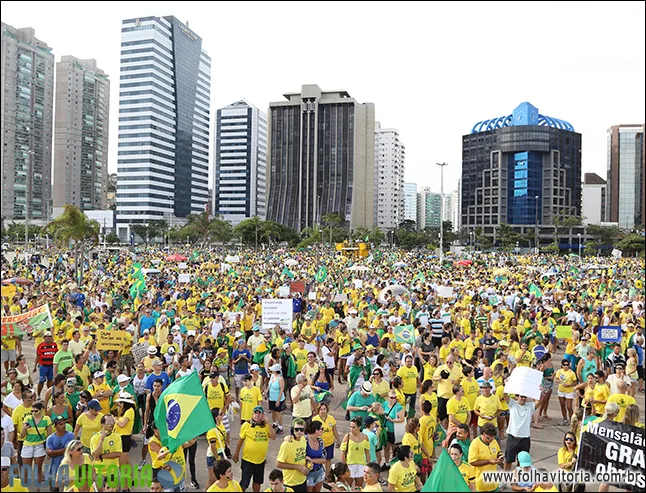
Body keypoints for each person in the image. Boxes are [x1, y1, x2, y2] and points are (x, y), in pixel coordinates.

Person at [233, 405, 276, 492]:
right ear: (252, 415)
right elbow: (240, 440)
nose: (257, 415)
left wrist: (268, 424)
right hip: (247, 460)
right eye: (255, 413)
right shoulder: (246, 425)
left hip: (260, 460)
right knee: (244, 482)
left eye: (259, 413)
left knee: (257, 482)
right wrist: (236, 453)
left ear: (263, 415)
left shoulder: (266, 426)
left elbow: (274, 437)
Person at [19, 400, 52, 484]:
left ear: (41, 410)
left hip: (40, 445)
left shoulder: (47, 419)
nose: (33, 413)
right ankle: (24, 489)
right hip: (27, 445)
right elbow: (22, 436)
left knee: (38, 470)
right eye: (32, 411)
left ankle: (38, 489)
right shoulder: (27, 419)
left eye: (36, 411)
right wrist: (24, 428)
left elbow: (49, 436)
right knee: (26, 470)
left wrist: (48, 449)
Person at [503, 393, 535, 471]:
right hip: (512, 438)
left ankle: (519, 478)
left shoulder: (530, 406)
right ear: (518, 397)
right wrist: (507, 384)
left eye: (525, 397)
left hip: (525, 438)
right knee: (508, 460)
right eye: (521, 396)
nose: (523, 398)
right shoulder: (513, 404)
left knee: (522, 462)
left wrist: (539, 390)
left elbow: (539, 401)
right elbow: (504, 395)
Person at [468, 422, 503, 493]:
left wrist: (500, 457)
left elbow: (498, 452)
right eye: (490, 437)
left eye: (493, 436)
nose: (492, 439)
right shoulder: (475, 444)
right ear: (483, 434)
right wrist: (489, 461)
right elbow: (472, 462)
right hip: (480, 485)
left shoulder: (493, 441)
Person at [276, 418, 309, 491]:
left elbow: (302, 456)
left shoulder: (303, 440)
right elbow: (278, 464)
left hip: (302, 480)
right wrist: (298, 467)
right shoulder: (287, 444)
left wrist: (307, 461)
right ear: (292, 429)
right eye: (296, 429)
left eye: (301, 429)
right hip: (290, 483)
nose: (299, 432)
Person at [340, 417, 370, 489]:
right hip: (350, 465)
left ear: (359, 427)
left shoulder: (365, 437)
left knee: (359, 487)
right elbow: (343, 452)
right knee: (348, 487)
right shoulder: (347, 436)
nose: (351, 429)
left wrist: (368, 465)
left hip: (361, 464)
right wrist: (344, 466)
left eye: (354, 427)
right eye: (350, 427)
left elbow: (367, 452)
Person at [45, 416, 74, 489]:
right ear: (55, 426)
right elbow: (49, 453)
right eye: (60, 424)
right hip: (54, 468)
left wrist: (53, 452)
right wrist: (64, 450)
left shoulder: (71, 435)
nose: (63, 426)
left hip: (68, 468)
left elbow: (68, 450)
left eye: (64, 424)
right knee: (53, 488)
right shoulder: (50, 438)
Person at [312, 402, 340, 473]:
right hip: (319, 444)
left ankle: (327, 475)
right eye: (321, 409)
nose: (323, 411)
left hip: (330, 443)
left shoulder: (331, 418)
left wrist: (338, 440)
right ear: (318, 410)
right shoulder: (315, 419)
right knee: (319, 459)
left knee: (328, 459)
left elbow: (334, 430)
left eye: (324, 409)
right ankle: (320, 473)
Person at [206, 408, 229, 489]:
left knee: (219, 479)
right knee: (212, 480)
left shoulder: (221, 424)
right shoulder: (212, 430)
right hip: (214, 456)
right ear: (216, 417)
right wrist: (217, 458)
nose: (222, 415)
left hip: (221, 452)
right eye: (220, 414)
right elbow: (213, 447)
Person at [383, 390, 405, 467]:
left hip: (394, 431)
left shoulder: (398, 407)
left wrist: (392, 420)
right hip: (386, 430)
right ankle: (386, 463)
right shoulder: (385, 404)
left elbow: (402, 419)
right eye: (391, 398)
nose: (393, 399)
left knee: (394, 449)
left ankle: (394, 464)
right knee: (386, 448)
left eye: (395, 398)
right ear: (388, 398)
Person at [114, 391, 136, 466]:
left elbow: (122, 424)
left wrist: (115, 420)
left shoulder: (129, 411)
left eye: (121, 403)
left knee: (122, 462)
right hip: (122, 437)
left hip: (124, 437)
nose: (120, 404)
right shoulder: (128, 411)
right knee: (126, 461)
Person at [304, 420, 326, 492]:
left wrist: (311, 460)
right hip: (308, 473)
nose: (323, 430)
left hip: (319, 472)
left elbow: (324, 460)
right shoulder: (305, 440)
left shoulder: (320, 441)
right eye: (321, 429)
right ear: (316, 430)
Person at [267, 364, 286, 434]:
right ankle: (275, 423)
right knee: (273, 411)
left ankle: (280, 427)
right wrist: (267, 391)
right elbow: (269, 385)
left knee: (277, 412)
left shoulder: (280, 378)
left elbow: (281, 390)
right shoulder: (272, 376)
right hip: (271, 397)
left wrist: (278, 400)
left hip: (278, 398)